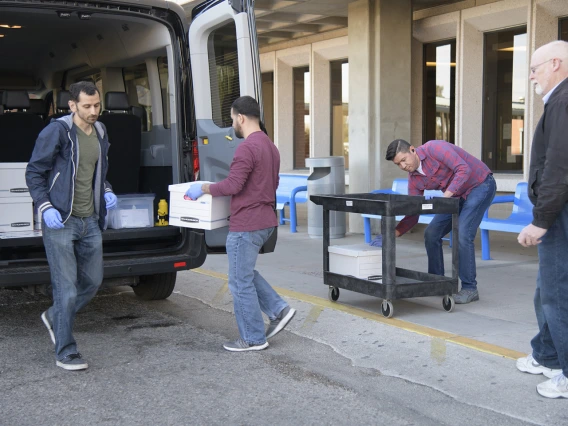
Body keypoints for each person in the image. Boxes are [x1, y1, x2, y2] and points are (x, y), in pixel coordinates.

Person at [185, 96, 296, 352]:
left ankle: (253, 338)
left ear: (241, 118)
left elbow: (233, 185)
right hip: (265, 219)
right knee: (243, 272)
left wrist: (202, 187)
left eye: (233, 119)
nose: (232, 124)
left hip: (247, 223)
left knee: (239, 281)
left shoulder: (247, 147)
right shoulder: (270, 146)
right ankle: (279, 309)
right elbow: (270, 184)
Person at [26, 81, 117, 371]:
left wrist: (105, 190)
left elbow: (96, 171)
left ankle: (55, 316)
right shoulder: (58, 131)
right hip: (60, 220)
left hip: (89, 220)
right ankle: (65, 350)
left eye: (97, 105)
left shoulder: (101, 132)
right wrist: (45, 206)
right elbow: (35, 172)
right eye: (87, 106)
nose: (93, 111)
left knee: (92, 282)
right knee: (65, 289)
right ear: (72, 105)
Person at [516, 40, 568, 399]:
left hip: (560, 214)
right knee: (546, 290)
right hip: (558, 212)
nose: (531, 75)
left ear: (556, 63)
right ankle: (547, 354)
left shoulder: (564, 101)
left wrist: (541, 220)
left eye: (534, 68)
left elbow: (559, 169)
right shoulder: (558, 102)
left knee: (556, 294)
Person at [385, 139, 496, 304]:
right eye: (398, 164)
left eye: (403, 160)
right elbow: (413, 211)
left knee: (463, 233)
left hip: (480, 185)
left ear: (412, 150)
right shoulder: (414, 179)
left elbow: (463, 169)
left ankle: (469, 288)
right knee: (431, 234)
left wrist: (445, 198)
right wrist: (395, 232)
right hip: (455, 196)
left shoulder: (435, 148)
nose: (403, 166)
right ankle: (437, 281)